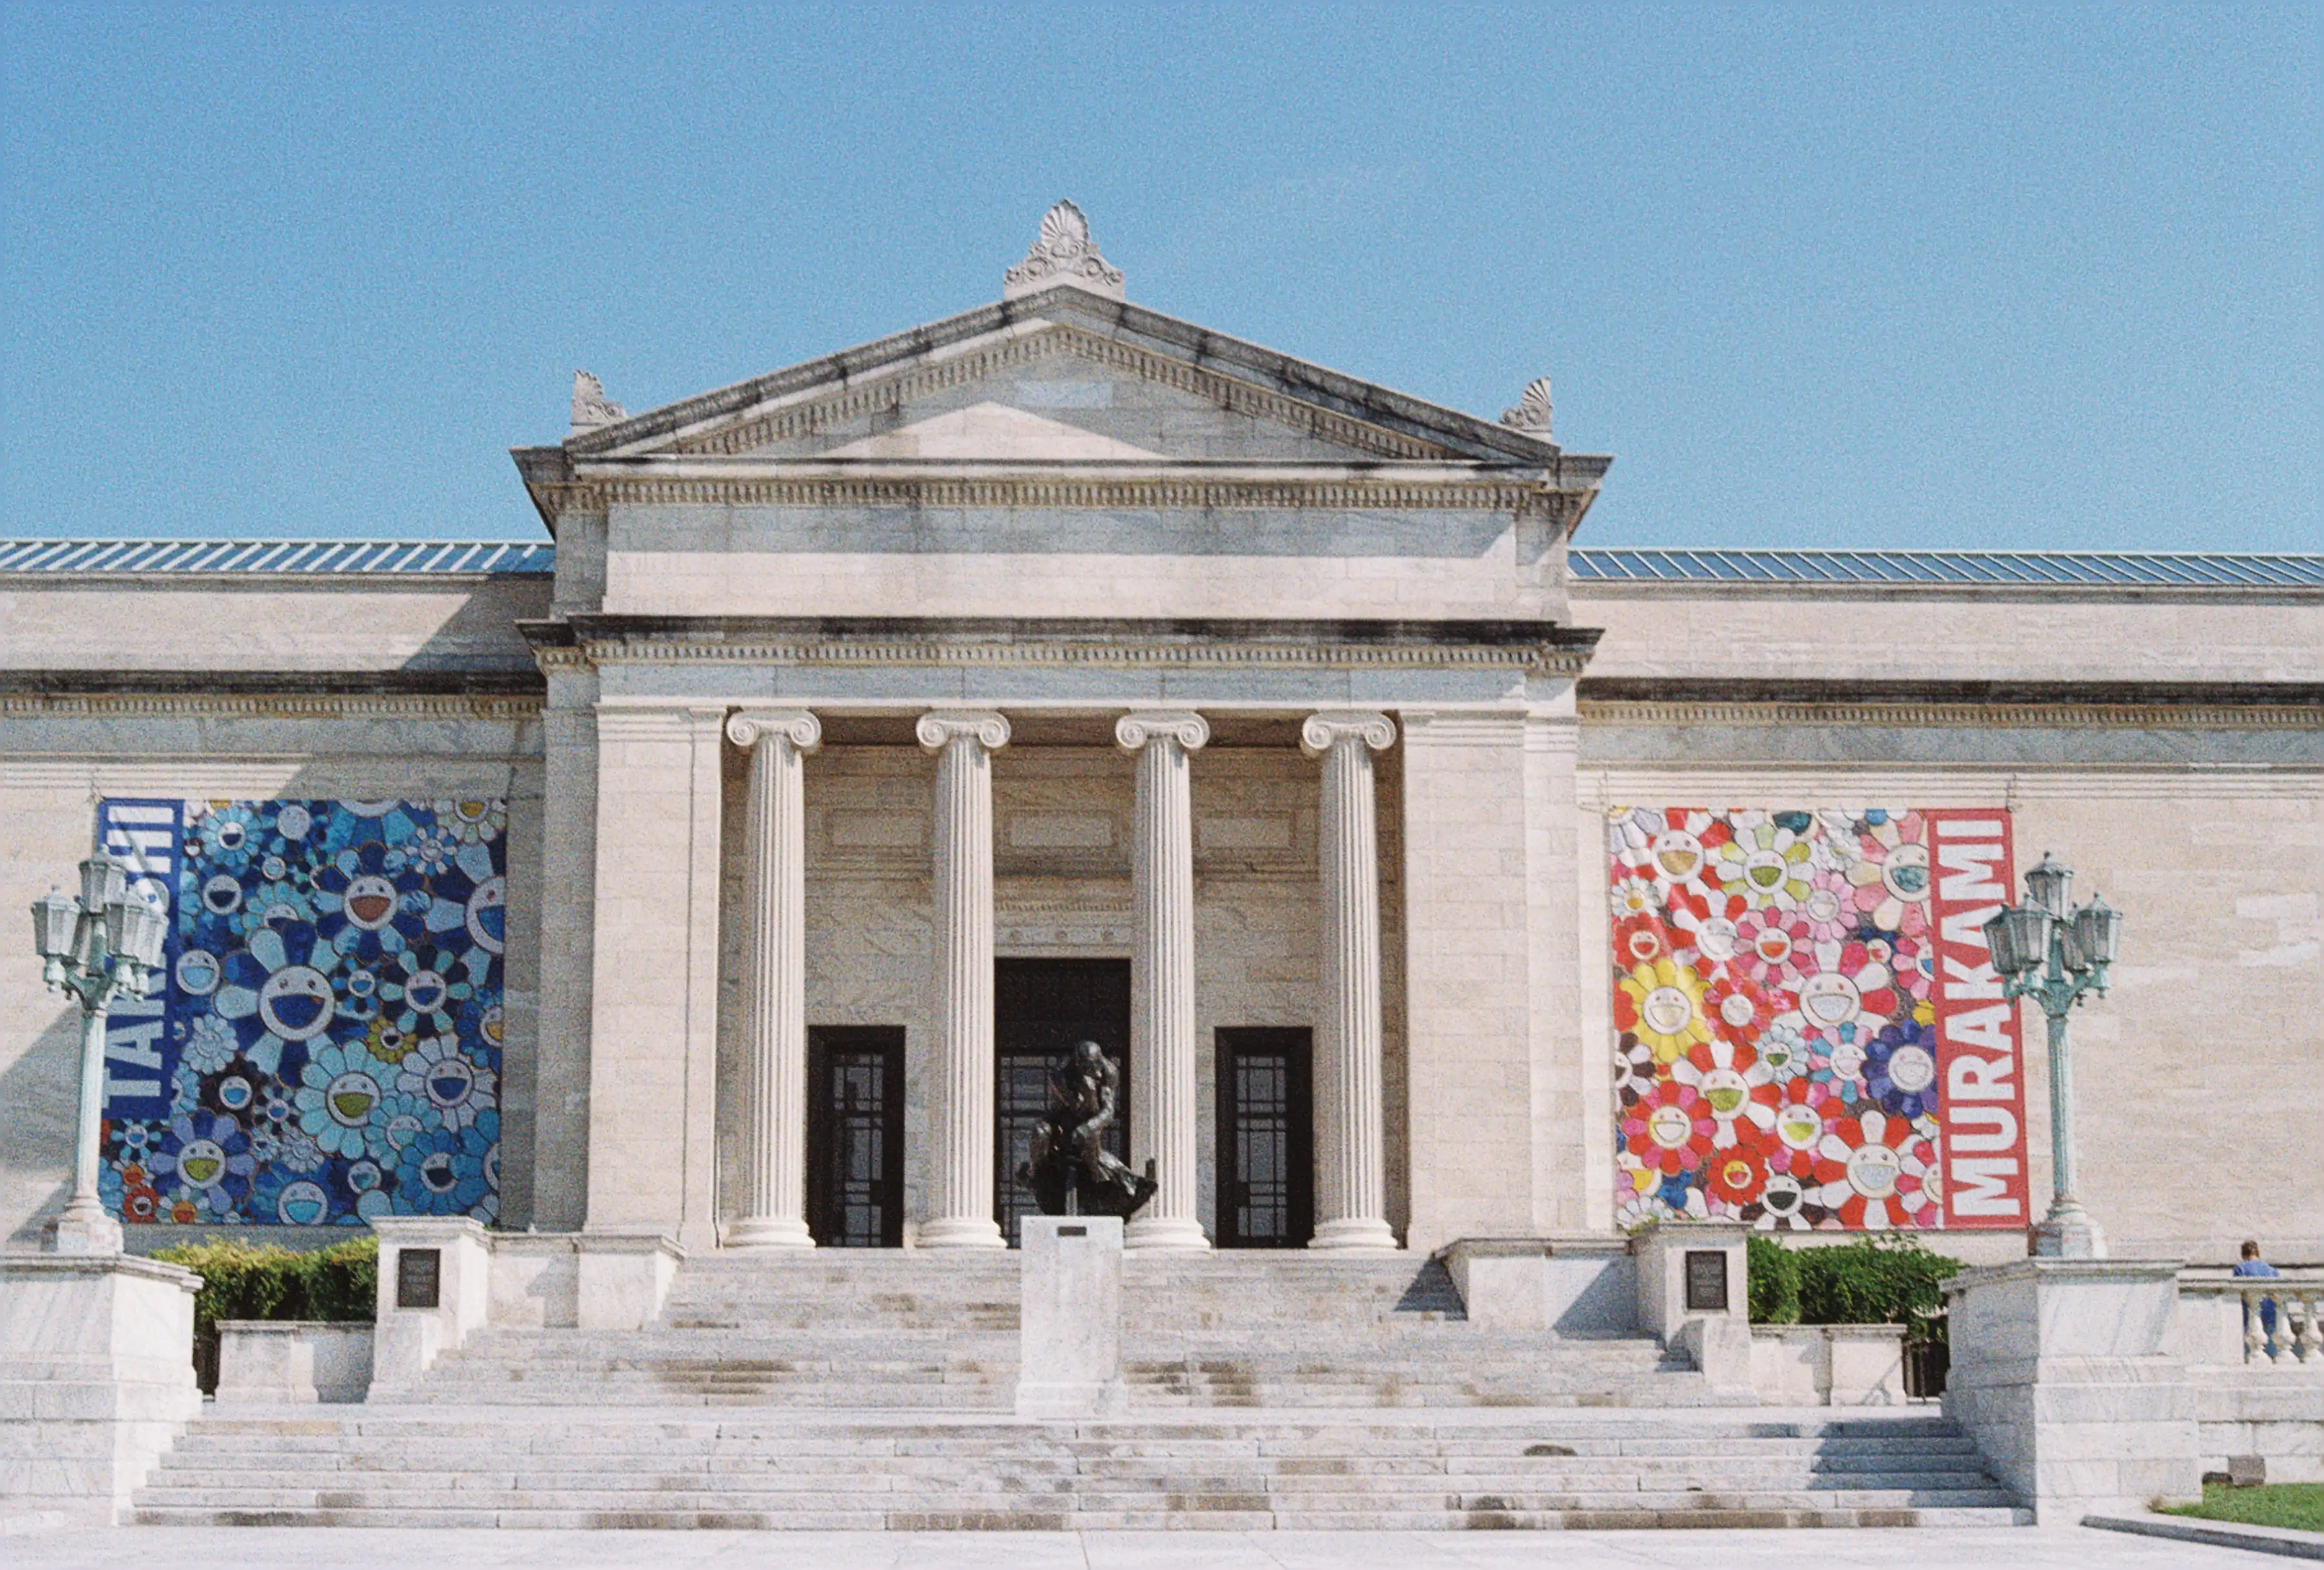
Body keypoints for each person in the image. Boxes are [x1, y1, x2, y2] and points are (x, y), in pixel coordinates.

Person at [2234, 1239, 2281, 1356]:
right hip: (2271, 1313)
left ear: (2243, 1254)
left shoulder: (2241, 1269)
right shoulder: (2271, 1270)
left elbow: (2237, 1293)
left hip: (2249, 1314)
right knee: (2271, 1352)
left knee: (2251, 1352)